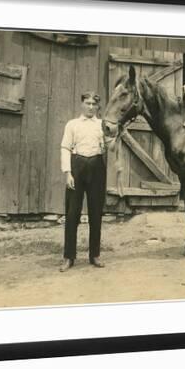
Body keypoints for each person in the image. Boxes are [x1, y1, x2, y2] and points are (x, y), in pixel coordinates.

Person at [59, 91, 107, 272]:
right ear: (81, 104)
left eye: (94, 104)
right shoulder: (72, 125)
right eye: (87, 103)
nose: (91, 107)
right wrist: (67, 173)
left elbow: (110, 144)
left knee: (96, 212)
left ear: (98, 107)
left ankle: (94, 255)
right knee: (72, 214)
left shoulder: (102, 125)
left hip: (96, 167)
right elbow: (65, 148)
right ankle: (68, 257)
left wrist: (112, 135)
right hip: (76, 166)